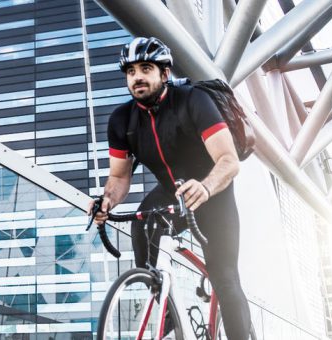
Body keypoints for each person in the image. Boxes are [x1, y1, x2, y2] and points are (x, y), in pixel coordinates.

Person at [88, 36, 252, 339]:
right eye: (131, 71)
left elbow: (229, 161)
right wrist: (106, 201)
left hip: (212, 191)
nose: (137, 76)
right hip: (170, 191)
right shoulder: (121, 120)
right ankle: (165, 309)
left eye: (146, 68)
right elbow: (120, 178)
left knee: (225, 277)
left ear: (164, 74)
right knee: (141, 225)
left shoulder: (193, 101)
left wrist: (205, 187)